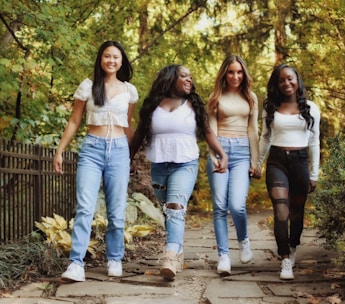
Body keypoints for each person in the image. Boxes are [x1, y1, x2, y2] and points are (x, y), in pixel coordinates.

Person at [130, 64, 228, 281]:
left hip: (186, 164)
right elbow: (138, 134)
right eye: (184, 76)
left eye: (191, 77)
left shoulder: (193, 104)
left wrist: (222, 154)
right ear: (170, 78)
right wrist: (128, 158)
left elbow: (208, 131)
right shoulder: (153, 105)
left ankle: (170, 256)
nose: (189, 80)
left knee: (175, 207)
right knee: (169, 211)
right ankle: (177, 249)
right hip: (159, 165)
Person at [53, 41, 138, 282]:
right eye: (107, 56)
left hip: (119, 150)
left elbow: (128, 125)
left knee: (117, 209)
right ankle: (76, 264)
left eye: (116, 57)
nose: (111, 60)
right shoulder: (88, 87)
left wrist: (132, 157)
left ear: (122, 61)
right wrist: (60, 151)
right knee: (85, 208)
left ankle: (114, 257)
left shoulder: (129, 91)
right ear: (101, 59)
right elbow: (74, 121)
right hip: (91, 148)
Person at [257, 64, 320, 280]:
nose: (287, 83)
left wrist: (314, 174)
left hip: (300, 161)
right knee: (281, 211)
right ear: (277, 84)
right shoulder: (270, 108)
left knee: (297, 212)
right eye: (281, 80)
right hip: (277, 162)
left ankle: (293, 247)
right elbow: (265, 137)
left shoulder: (311, 108)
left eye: (290, 78)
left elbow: (314, 142)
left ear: (297, 80)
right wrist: (257, 162)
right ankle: (284, 259)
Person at [206, 55, 260, 276]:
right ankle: (224, 256)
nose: (235, 76)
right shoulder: (215, 97)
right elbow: (211, 130)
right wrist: (214, 157)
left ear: (243, 74)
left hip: (242, 152)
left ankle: (243, 240)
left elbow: (253, 130)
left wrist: (256, 162)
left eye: (239, 72)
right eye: (231, 72)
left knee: (237, 205)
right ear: (224, 74)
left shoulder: (251, 97)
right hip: (221, 150)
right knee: (220, 206)